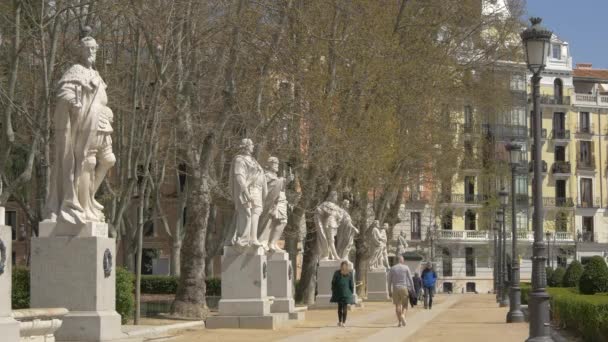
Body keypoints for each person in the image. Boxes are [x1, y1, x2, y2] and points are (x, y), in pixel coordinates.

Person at [388, 256, 415, 327]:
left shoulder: (392, 268)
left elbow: (389, 281)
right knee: (405, 305)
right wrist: (413, 288)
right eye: (403, 260)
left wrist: (389, 290)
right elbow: (410, 279)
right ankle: (403, 315)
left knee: (397, 305)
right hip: (404, 287)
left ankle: (399, 321)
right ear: (402, 260)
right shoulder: (406, 267)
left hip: (395, 288)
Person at [330, 261, 355, 327]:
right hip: (347, 293)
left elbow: (333, 282)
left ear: (341, 266)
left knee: (340, 307)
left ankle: (340, 322)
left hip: (339, 292)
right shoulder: (349, 273)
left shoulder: (337, 273)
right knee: (345, 307)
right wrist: (351, 292)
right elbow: (351, 284)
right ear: (347, 266)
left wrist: (333, 290)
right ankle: (344, 322)